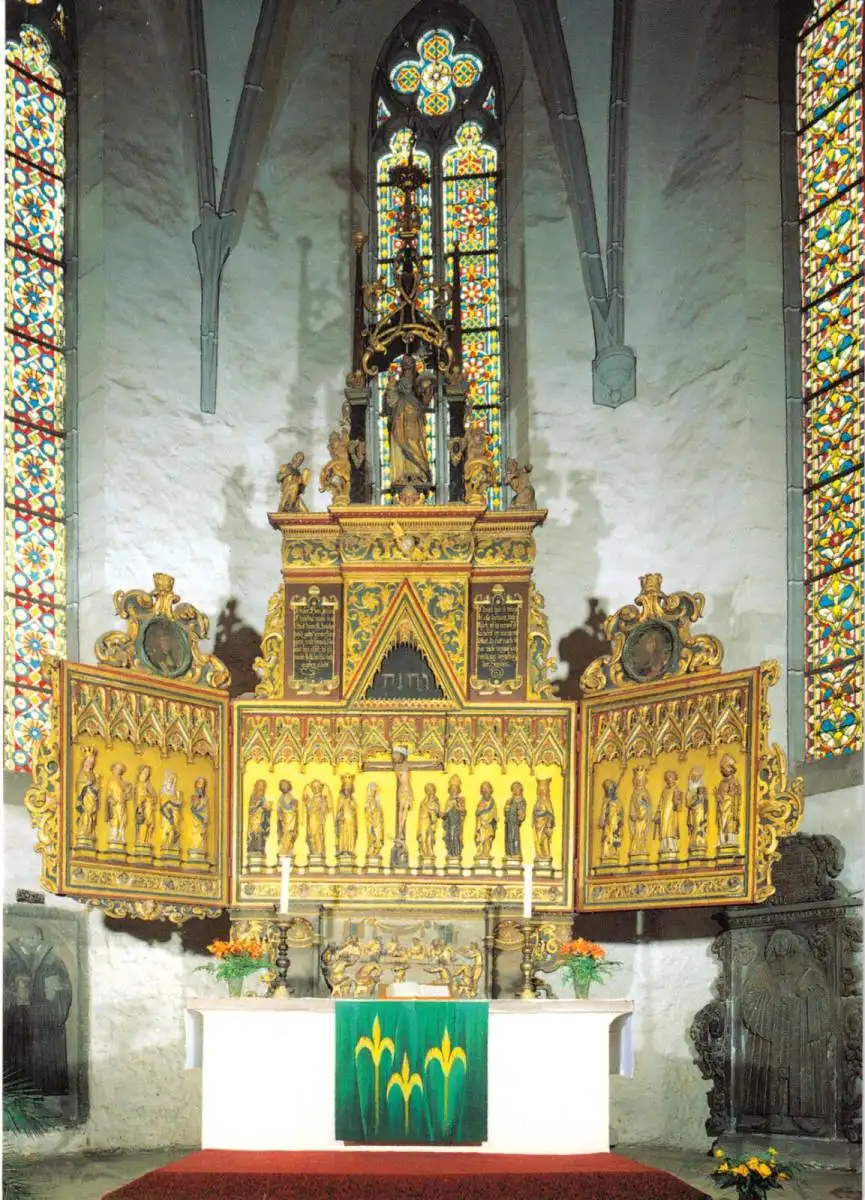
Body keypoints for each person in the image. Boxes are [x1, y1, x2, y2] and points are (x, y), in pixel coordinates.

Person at [4, 926, 72, 1096]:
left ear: (39, 938)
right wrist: (13, 994)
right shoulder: (8, 959)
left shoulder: (53, 960)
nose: (31, 941)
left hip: (45, 1020)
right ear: (20, 940)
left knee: (45, 1066)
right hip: (18, 1022)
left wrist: (53, 994)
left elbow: (65, 990)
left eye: (34, 937)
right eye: (26, 938)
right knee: (19, 1067)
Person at [384, 356, 432, 487]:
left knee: (415, 444)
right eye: (405, 367)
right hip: (399, 420)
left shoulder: (419, 385)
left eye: (410, 367)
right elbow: (389, 403)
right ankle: (401, 475)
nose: (407, 370)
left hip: (414, 420)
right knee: (400, 445)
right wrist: (391, 387)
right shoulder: (397, 385)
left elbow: (425, 402)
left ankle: (418, 473)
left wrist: (428, 390)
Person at [598, 778, 624, 863]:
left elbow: (621, 812)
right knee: (607, 838)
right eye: (608, 790)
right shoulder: (606, 801)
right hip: (608, 824)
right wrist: (603, 818)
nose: (610, 791)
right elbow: (603, 814)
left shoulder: (617, 801)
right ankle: (606, 855)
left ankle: (614, 853)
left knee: (615, 838)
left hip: (615, 824)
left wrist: (619, 820)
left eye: (611, 789)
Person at [442, 775, 466, 860]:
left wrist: (457, 807)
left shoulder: (461, 799)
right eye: (452, 789)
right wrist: (443, 814)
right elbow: (445, 814)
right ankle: (451, 853)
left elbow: (463, 811)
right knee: (450, 837)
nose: (453, 791)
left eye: (455, 789)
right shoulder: (448, 801)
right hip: (449, 823)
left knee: (455, 837)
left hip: (457, 823)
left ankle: (456, 853)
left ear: (458, 790)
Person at [334, 775, 358, 857]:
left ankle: (350, 849)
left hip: (351, 821)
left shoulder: (352, 799)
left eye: (349, 789)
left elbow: (354, 809)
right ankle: (342, 849)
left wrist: (350, 801)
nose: (347, 790)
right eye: (346, 788)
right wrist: (339, 817)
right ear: (343, 789)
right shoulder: (340, 799)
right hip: (343, 821)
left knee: (351, 834)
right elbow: (338, 811)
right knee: (343, 834)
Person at [532, 778, 555, 861]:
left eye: (544, 790)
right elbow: (534, 813)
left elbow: (550, 813)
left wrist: (549, 822)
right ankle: (539, 854)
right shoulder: (538, 801)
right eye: (541, 790)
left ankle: (546, 854)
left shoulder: (547, 801)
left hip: (545, 825)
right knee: (538, 841)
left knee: (544, 840)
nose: (542, 791)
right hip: (538, 825)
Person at [474, 781, 497, 860]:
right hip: (482, 825)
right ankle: (481, 852)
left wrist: (493, 818)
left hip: (489, 824)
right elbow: (478, 813)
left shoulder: (492, 803)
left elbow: (494, 812)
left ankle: (486, 852)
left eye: (487, 788)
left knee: (488, 838)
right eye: (483, 789)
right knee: (482, 838)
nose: (485, 790)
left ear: (491, 790)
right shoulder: (481, 803)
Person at [504, 781, 527, 858]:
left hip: (515, 821)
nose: (515, 790)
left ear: (521, 789)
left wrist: (520, 813)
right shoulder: (509, 800)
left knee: (515, 837)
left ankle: (516, 852)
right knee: (509, 837)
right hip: (509, 821)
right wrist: (506, 810)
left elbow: (522, 812)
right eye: (514, 788)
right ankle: (510, 853)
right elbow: (506, 811)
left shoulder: (521, 800)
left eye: (517, 788)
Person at [417, 782, 440, 859]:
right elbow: (421, 812)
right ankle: (424, 852)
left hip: (430, 821)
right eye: (428, 790)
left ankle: (430, 852)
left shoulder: (435, 801)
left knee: (429, 837)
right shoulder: (423, 801)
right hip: (423, 821)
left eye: (431, 790)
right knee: (423, 837)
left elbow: (437, 812)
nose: (430, 792)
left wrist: (431, 811)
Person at [276, 780, 299, 857]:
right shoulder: (281, 798)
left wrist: (294, 805)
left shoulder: (290, 796)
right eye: (282, 785)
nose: (284, 786)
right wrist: (279, 814)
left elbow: (294, 807)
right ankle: (284, 849)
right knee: (284, 834)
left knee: (290, 833)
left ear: (289, 786)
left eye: (286, 785)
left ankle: (288, 849)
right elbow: (279, 808)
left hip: (291, 818)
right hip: (284, 819)